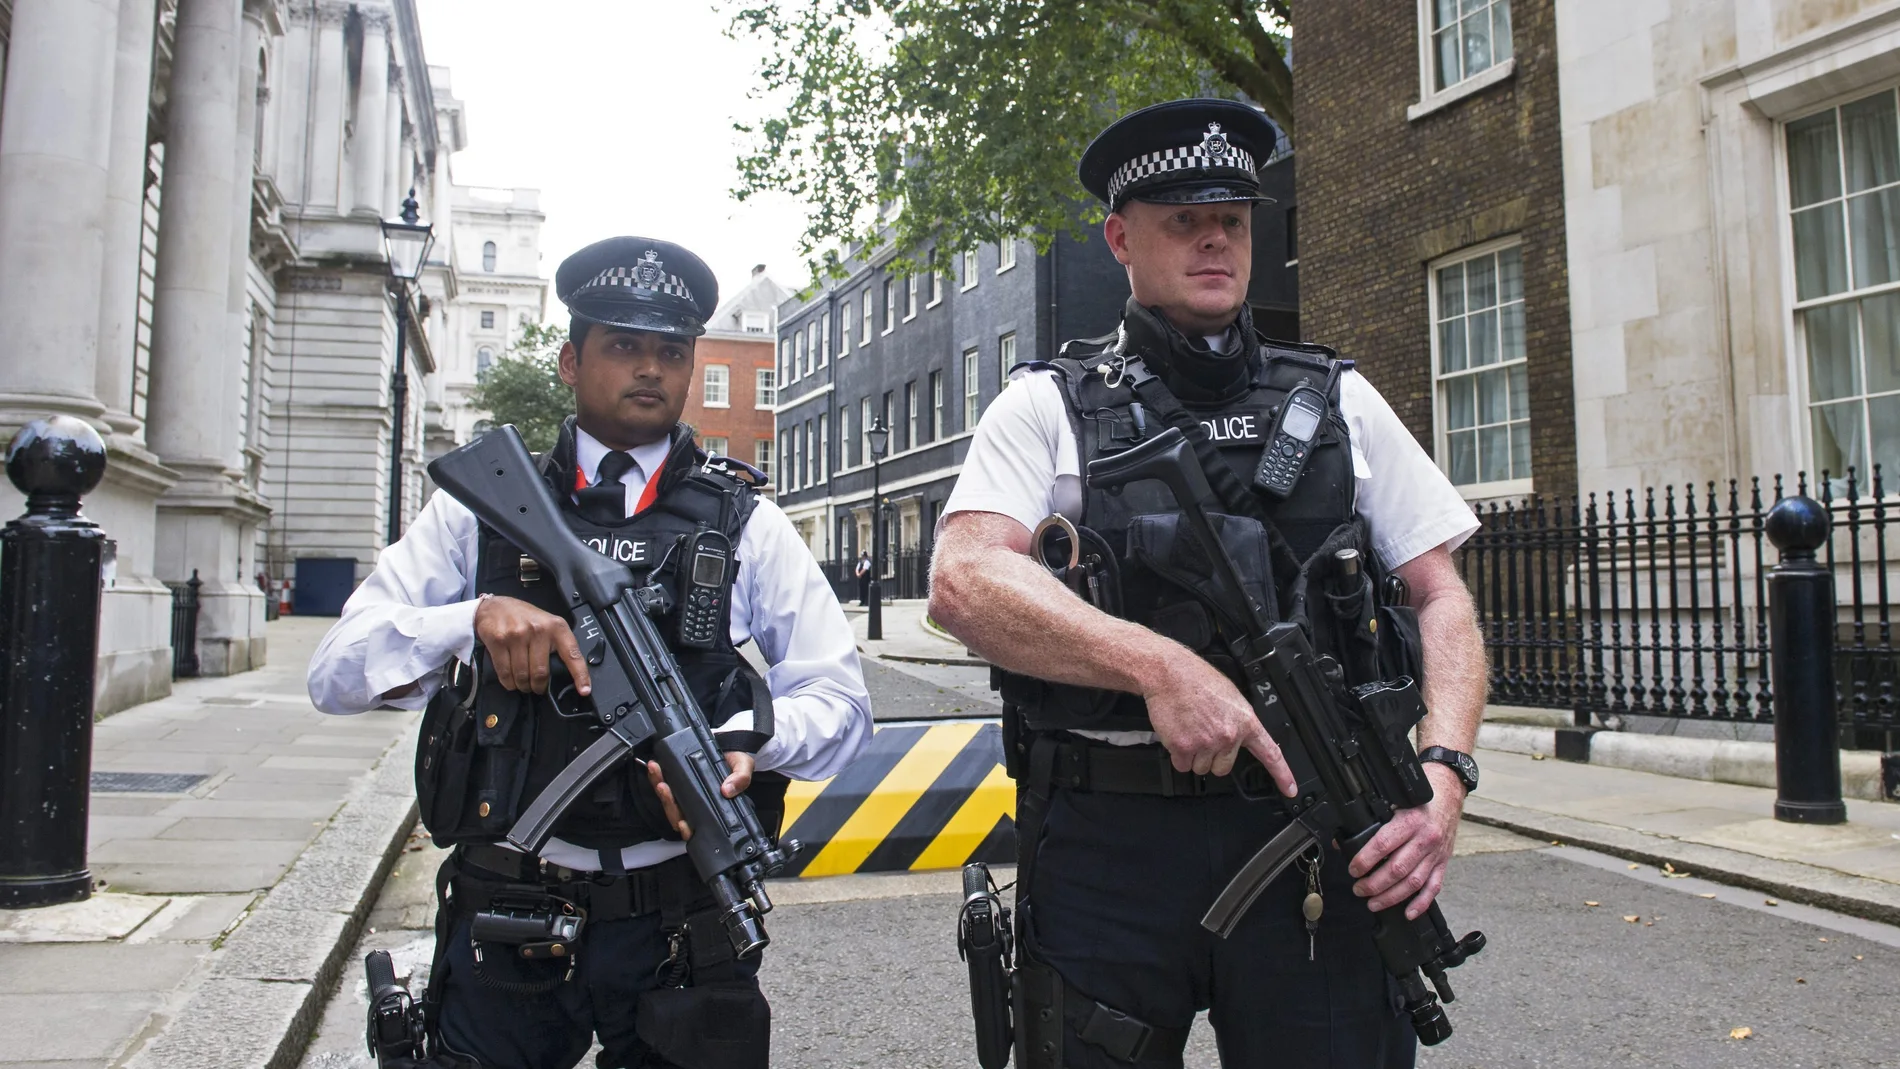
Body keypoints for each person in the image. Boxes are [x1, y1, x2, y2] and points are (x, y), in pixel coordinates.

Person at [930, 99, 1486, 1068]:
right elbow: (964, 578)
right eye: (1182, 220)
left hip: (1311, 831)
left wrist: (1443, 777)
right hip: (1107, 841)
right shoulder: (1047, 406)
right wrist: (1156, 667)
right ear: (1119, 237)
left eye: (1230, 217)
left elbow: (1442, 596)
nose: (1214, 241)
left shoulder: (1338, 399)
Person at [308, 236, 871, 1069]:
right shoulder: (483, 512)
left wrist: (751, 738)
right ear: (571, 362)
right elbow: (336, 670)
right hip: (510, 909)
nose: (650, 368)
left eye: (671, 351)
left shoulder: (745, 521)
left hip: (680, 919)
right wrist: (473, 619)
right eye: (623, 346)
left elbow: (843, 708)